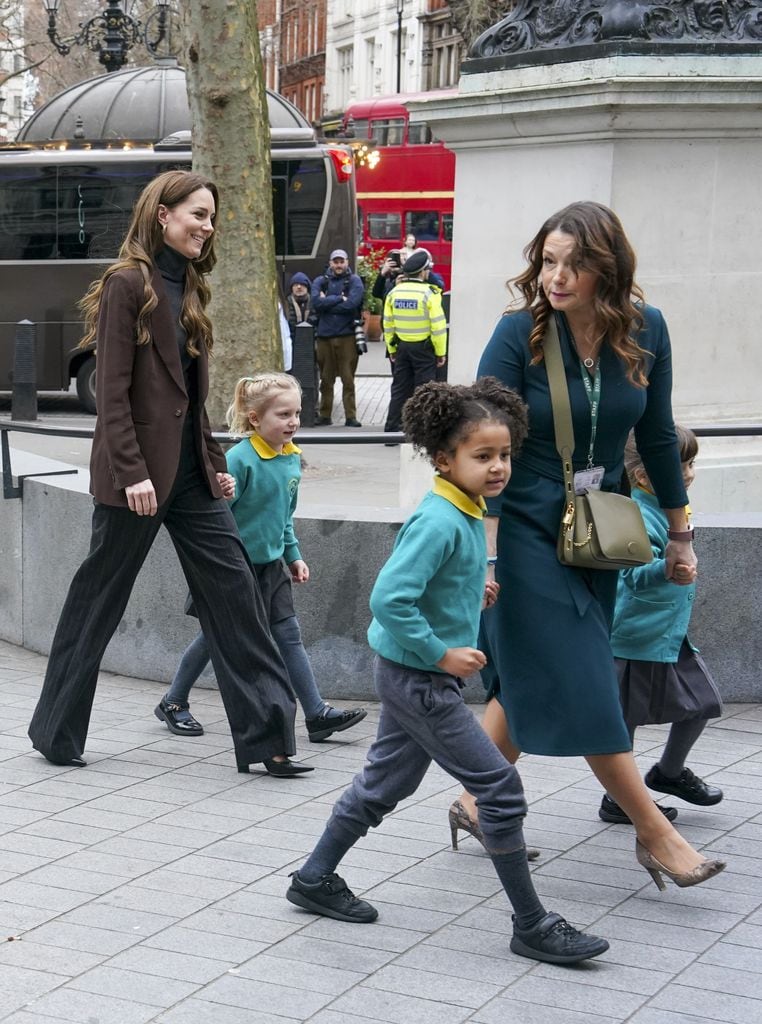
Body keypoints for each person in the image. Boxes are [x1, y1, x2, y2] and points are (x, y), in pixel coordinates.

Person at [286, 378, 611, 965]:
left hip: (411, 676)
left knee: (383, 786)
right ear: (444, 458)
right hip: (420, 681)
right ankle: (531, 924)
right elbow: (390, 600)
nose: (498, 467)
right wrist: (441, 653)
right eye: (482, 456)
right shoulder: (439, 518)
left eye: (504, 455)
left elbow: (433, 585)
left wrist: (471, 593)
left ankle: (312, 878)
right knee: (500, 788)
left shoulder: (463, 511)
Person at [458, 201, 725, 892]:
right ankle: (654, 832)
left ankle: (472, 802)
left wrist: (681, 531)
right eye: (548, 260)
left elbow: (659, 437)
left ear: (607, 269)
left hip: (600, 523)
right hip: (522, 522)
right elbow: (480, 438)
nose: (556, 276)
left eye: (573, 263)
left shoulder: (647, 329)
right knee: (582, 669)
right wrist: (482, 549)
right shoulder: (519, 333)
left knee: (539, 671)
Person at [27, 170, 301, 776]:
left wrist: (213, 466)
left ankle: (268, 739)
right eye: (197, 215)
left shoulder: (191, 288)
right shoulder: (130, 283)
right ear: (163, 216)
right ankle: (55, 730)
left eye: (211, 217)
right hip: (138, 481)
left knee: (237, 596)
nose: (207, 227)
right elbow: (113, 393)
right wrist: (132, 473)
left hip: (192, 481)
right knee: (98, 600)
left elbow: (189, 402)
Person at [156, 372, 368, 763]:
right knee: (212, 638)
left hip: (271, 569)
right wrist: (223, 506)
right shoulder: (239, 459)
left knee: (289, 636)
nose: (292, 422)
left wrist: (294, 555)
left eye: (297, 414)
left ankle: (317, 713)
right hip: (232, 568)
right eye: (283, 414)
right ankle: (173, 701)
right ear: (255, 419)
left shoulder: (291, 458)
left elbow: (284, 517)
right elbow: (216, 515)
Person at [600, 426, 723, 822]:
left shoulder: (670, 506)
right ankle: (620, 798)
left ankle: (668, 773)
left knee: (702, 704)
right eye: (679, 465)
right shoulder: (633, 513)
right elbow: (632, 575)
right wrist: (668, 569)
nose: (687, 473)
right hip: (636, 636)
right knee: (626, 721)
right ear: (641, 476)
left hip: (668, 634)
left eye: (690, 463)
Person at [383, 249, 447, 436]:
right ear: (423, 272)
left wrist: (392, 348)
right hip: (424, 349)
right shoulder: (429, 294)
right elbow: (438, 327)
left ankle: (391, 429)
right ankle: (421, 431)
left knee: (399, 388)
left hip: (402, 347)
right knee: (425, 390)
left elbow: (388, 324)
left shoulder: (394, 293)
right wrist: (440, 352)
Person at [310, 249, 364, 427]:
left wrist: (328, 303)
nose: (339, 265)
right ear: (331, 263)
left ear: (347, 262)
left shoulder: (355, 281)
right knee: (326, 379)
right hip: (324, 338)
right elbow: (316, 303)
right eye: (336, 261)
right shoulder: (320, 281)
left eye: (342, 261)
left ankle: (351, 416)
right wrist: (339, 298)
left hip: (347, 336)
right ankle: (325, 415)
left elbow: (352, 305)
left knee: (348, 379)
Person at [284, 271, 313, 341]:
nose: (299, 287)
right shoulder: (285, 304)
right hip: (291, 341)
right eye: (296, 284)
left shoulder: (314, 303)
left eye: (302, 284)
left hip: (311, 342)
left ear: (307, 287)